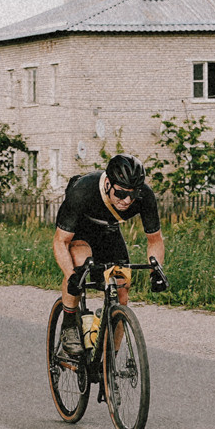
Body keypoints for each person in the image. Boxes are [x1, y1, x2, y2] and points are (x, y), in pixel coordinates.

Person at [52, 153, 169, 357]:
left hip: (109, 232)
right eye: (121, 194)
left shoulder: (144, 196)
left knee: (122, 288)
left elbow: (155, 240)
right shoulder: (83, 191)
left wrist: (156, 270)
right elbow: (61, 241)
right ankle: (70, 323)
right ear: (107, 184)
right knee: (80, 265)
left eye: (133, 195)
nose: (127, 201)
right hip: (80, 231)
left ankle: (109, 360)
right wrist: (71, 275)